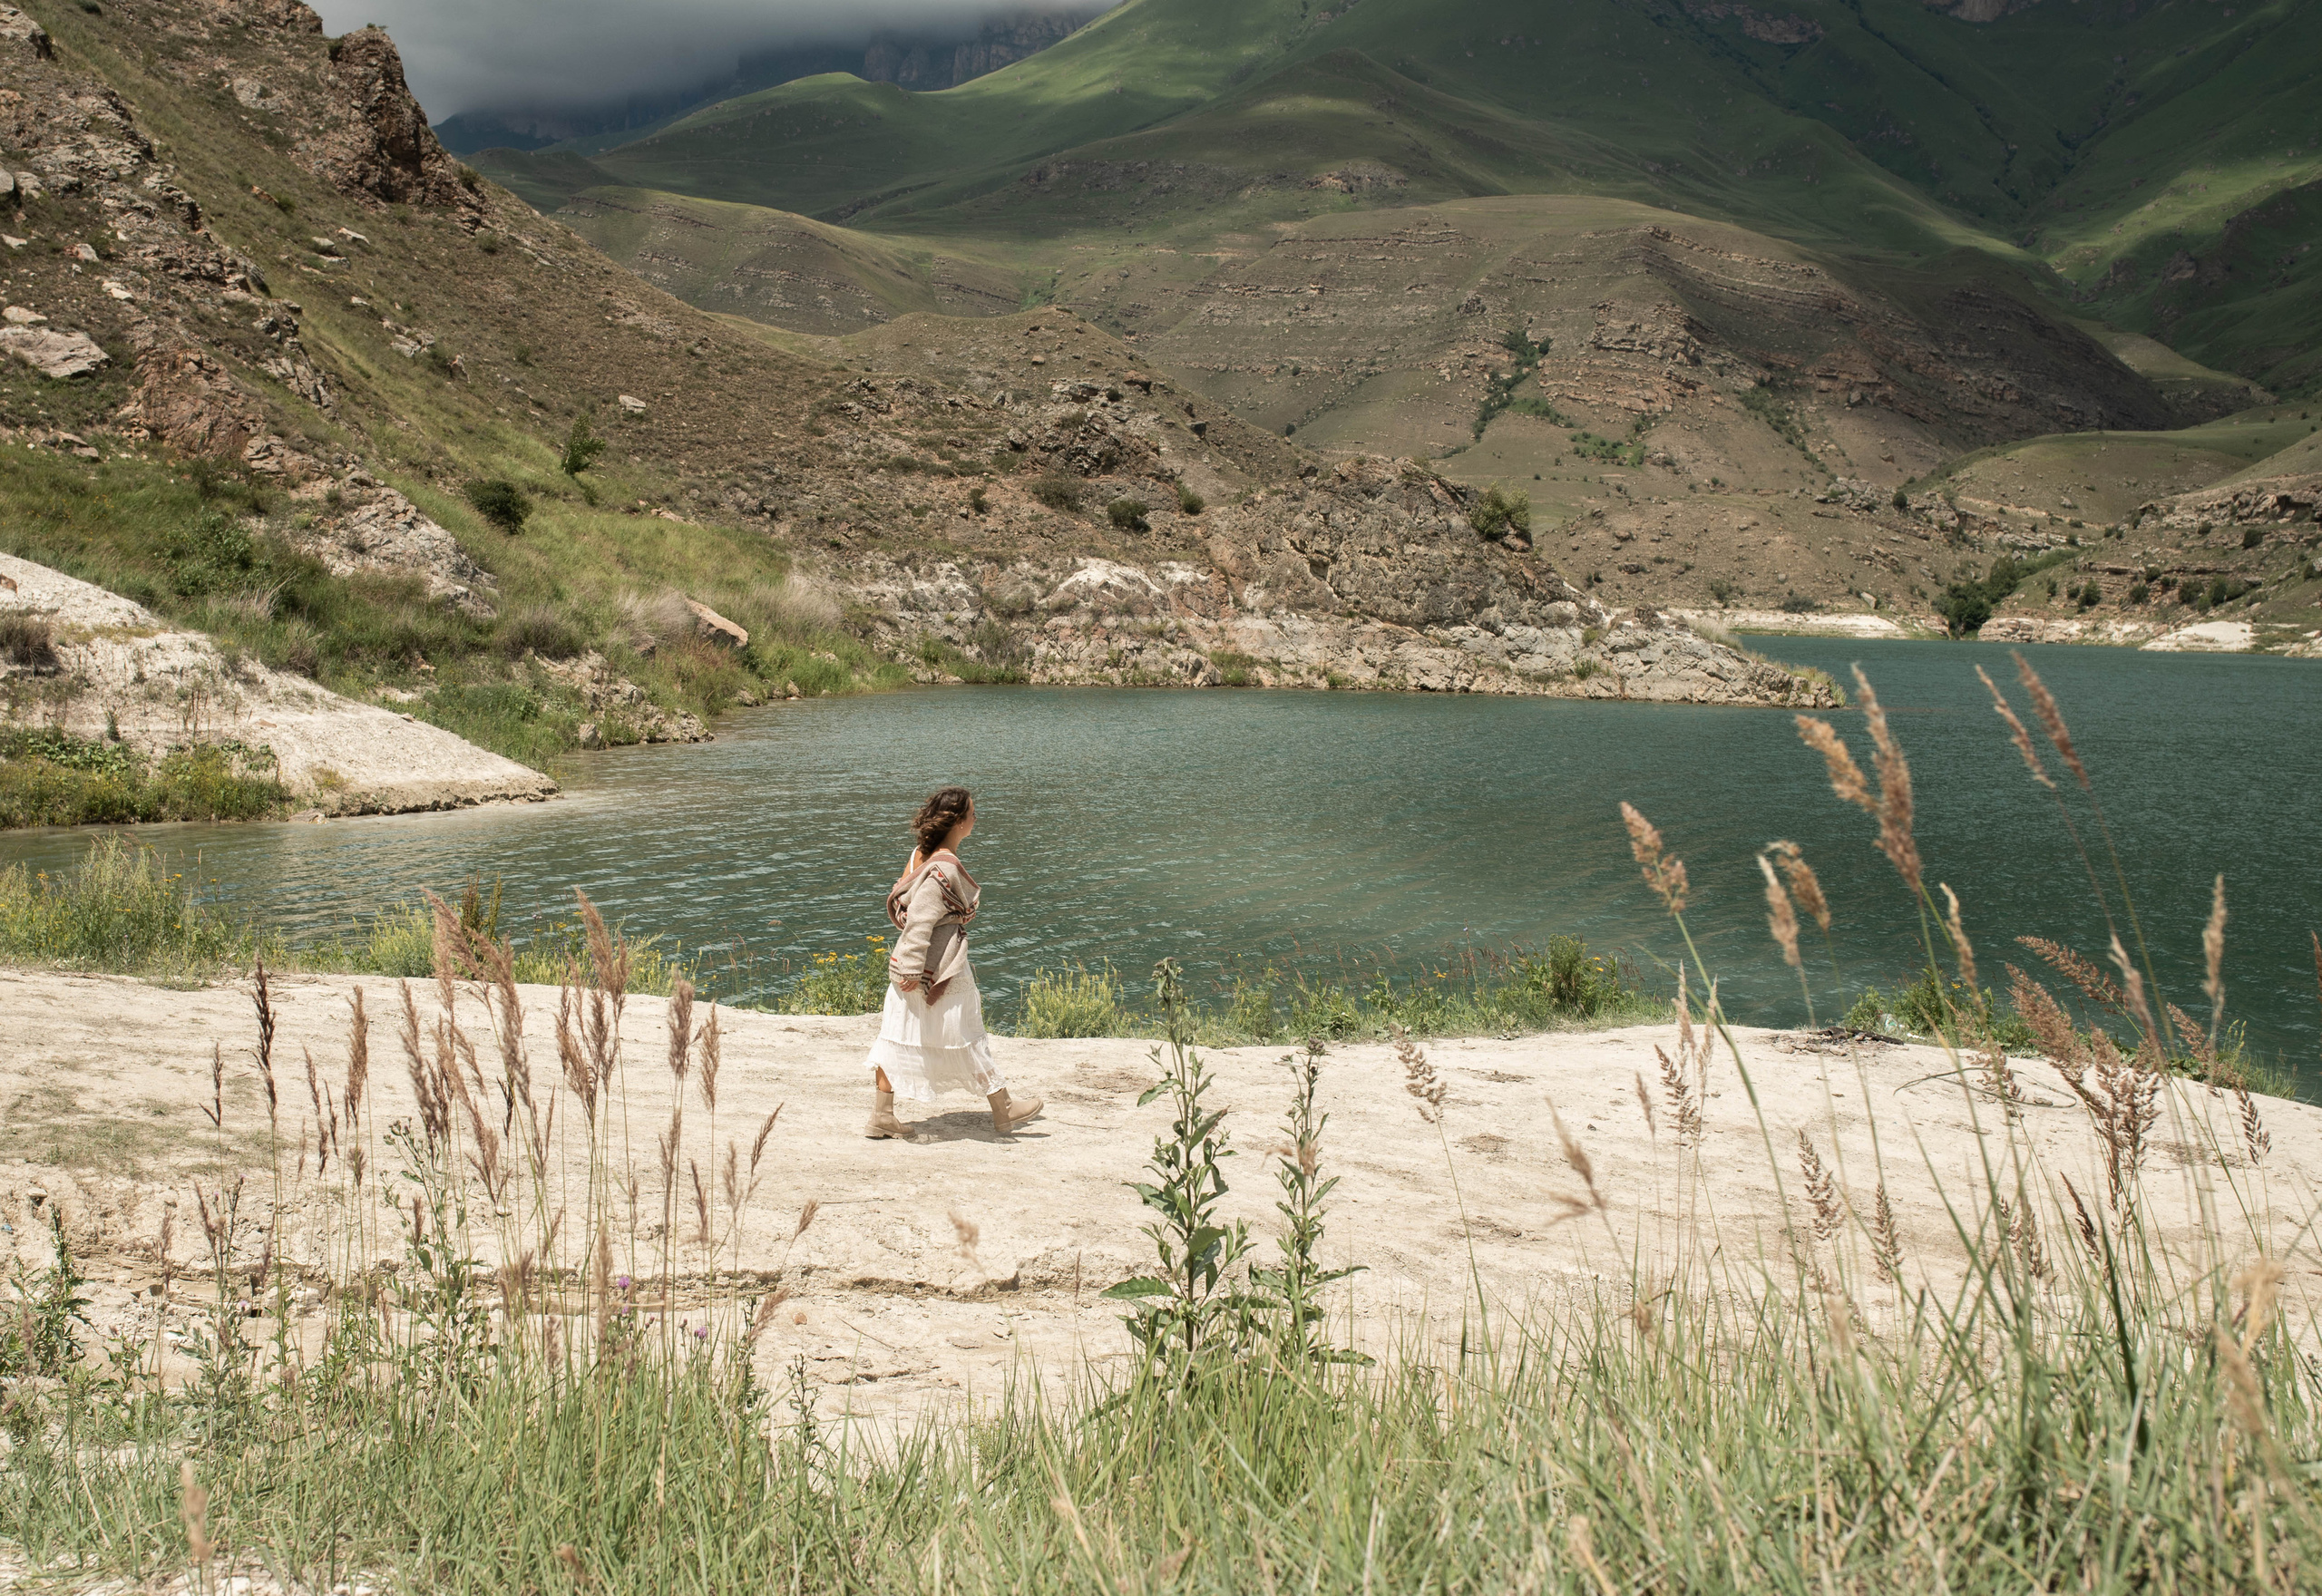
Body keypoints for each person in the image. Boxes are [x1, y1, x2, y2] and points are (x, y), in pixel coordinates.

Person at [865, 786, 1043, 1139]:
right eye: (973, 814)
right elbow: (919, 920)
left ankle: (881, 1116)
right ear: (959, 822)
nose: (976, 819)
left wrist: (907, 964)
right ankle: (1004, 1110)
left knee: (896, 1036)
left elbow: (902, 904)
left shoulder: (920, 855)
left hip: (907, 964)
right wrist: (915, 970)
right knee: (966, 1033)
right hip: (937, 966)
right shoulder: (943, 866)